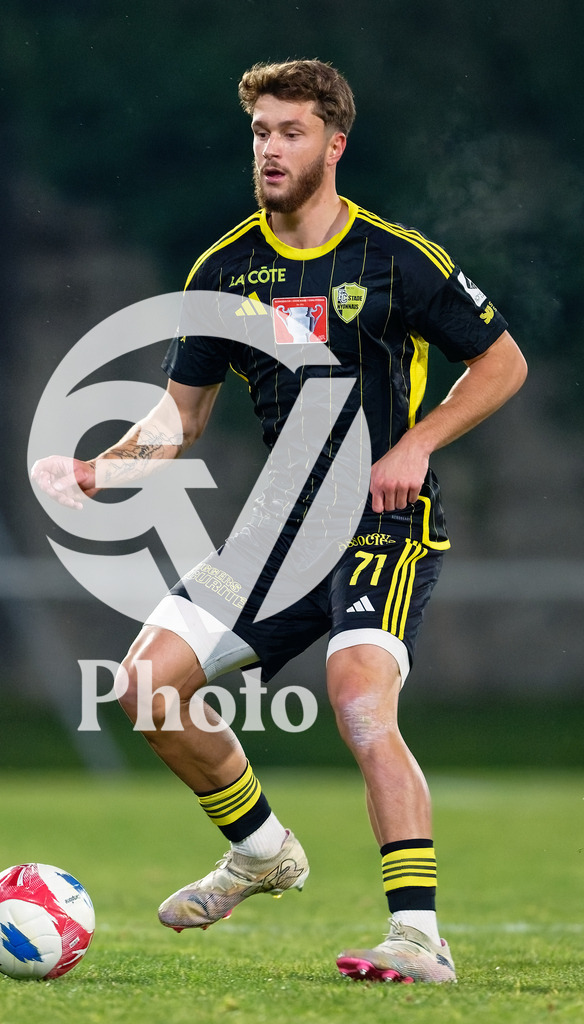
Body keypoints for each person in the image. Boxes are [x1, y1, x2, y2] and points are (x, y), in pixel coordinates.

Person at [31, 59, 527, 984]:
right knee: (145, 687)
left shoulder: (395, 259)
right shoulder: (224, 270)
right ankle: (260, 849)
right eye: (261, 131)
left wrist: (417, 443)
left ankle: (418, 937)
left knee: (356, 696)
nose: (270, 148)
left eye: (291, 132)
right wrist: (99, 468)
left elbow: (502, 364)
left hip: (385, 522)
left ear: (334, 146)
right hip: (277, 533)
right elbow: (180, 417)